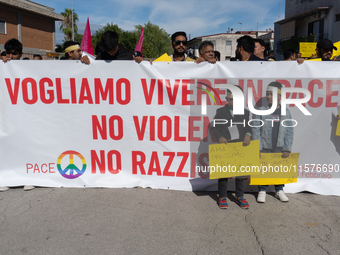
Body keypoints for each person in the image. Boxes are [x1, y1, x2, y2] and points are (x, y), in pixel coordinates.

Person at [1, 39, 34, 191]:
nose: (11, 57)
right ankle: (7, 177)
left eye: (14, 54)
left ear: (20, 54)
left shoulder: (29, 68)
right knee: (9, 145)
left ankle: (28, 177)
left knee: (26, 145)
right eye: (8, 53)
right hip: (8, 116)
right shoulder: (2, 67)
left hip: (26, 115)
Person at [252, 82, 294, 203]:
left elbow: (290, 130)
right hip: (264, 145)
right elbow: (256, 129)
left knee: (279, 168)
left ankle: (279, 189)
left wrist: (287, 147)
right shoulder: (260, 110)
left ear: (279, 97)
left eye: (272, 94)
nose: (269, 96)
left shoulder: (286, 111)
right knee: (263, 167)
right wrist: (257, 147)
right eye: (267, 94)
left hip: (279, 146)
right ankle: (262, 190)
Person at [211, 85, 252, 209]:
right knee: (223, 173)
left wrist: (248, 134)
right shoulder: (220, 112)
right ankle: (222, 196)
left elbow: (248, 127)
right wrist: (219, 137)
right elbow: (215, 128)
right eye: (231, 99)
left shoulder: (245, 112)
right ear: (226, 99)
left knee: (240, 174)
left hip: (240, 147)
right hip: (226, 146)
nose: (234, 102)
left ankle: (240, 196)